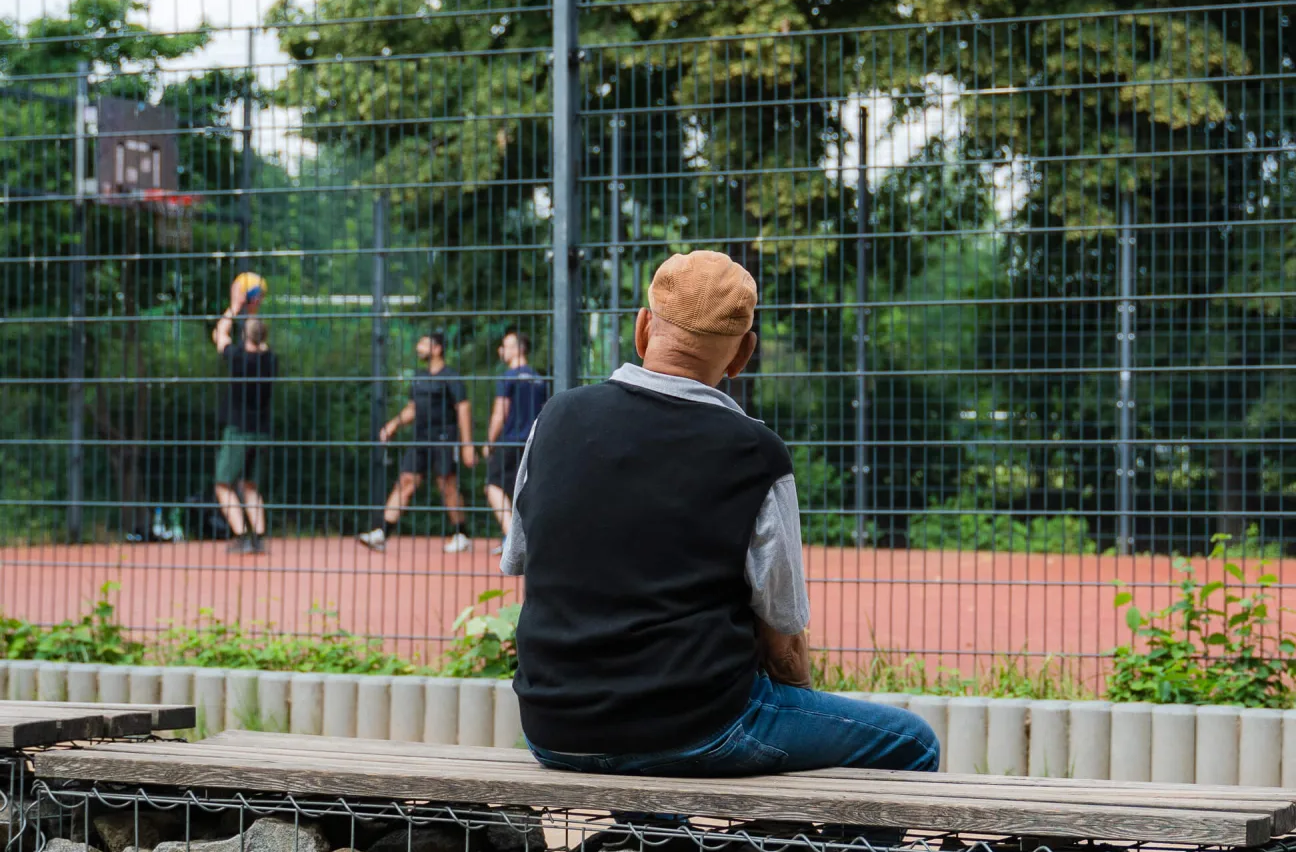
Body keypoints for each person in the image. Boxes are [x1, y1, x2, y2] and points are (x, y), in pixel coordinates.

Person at [500, 250, 939, 775]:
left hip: (551, 729)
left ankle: (653, 851)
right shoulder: (755, 452)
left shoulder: (554, 418)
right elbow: (783, 637)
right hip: (694, 727)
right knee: (914, 742)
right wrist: (793, 702)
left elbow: (520, 557)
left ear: (642, 328)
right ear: (742, 355)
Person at [358, 330, 476, 554]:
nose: (418, 347)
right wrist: (393, 424)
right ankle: (381, 533)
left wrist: (467, 445)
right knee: (406, 481)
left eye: (423, 343)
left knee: (447, 484)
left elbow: (463, 408)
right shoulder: (419, 377)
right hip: (420, 438)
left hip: (444, 437)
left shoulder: (451, 377)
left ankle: (461, 534)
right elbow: (413, 408)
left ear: (437, 348)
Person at [212, 281, 276, 556]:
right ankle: (259, 537)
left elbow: (220, 333)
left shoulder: (238, 358)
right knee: (250, 485)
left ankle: (240, 536)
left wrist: (235, 306)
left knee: (223, 484)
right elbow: (258, 335)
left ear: (245, 337)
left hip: (238, 430)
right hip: (261, 431)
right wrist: (254, 308)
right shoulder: (271, 360)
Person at [484, 327, 548, 545]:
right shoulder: (539, 379)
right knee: (524, 490)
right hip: (532, 443)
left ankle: (511, 537)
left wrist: (489, 442)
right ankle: (524, 538)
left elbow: (500, 412)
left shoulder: (508, 377)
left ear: (517, 349)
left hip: (509, 441)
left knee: (493, 486)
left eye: (506, 345)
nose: (501, 350)